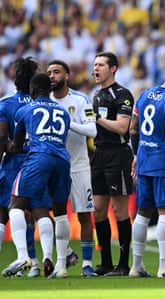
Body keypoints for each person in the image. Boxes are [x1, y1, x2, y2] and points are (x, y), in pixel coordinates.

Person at [1, 73, 71, 278]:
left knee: (15, 204)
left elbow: (16, 145)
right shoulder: (63, 111)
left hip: (39, 157)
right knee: (59, 212)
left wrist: (5, 145)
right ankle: (59, 264)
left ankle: (23, 256)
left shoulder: (24, 110)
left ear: (32, 89)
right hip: (62, 159)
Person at [0, 57, 52, 278]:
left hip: (14, 164)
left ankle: (24, 259)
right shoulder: (44, 105)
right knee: (39, 211)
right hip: (39, 160)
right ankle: (40, 262)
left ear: (14, 79)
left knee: (5, 213)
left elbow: (2, 141)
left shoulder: (5, 104)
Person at [128, 63, 165, 278]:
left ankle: (136, 266)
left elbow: (133, 128)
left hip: (144, 159)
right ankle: (164, 266)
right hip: (164, 161)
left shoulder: (144, 95)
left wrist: (135, 155)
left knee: (142, 213)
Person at [47, 60, 98, 277]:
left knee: (85, 215)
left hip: (78, 165)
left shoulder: (80, 100)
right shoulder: (44, 101)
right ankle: (63, 258)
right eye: (49, 72)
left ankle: (87, 264)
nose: (52, 76)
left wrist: (68, 123)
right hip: (54, 166)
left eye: (56, 72)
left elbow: (92, 130)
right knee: (52, 213)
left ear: (67, 76)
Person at [91, 51, 134, 276]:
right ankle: (106, 262)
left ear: (113, 68)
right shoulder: (97, 96)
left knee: (119, 209)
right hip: (99, 154)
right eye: (95, 65)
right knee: (98, 210)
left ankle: (124, 264)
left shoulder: (123, 95)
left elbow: (122, 128)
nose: (96, 69)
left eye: (101, 65)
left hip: (117, 155)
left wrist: (96, 119)